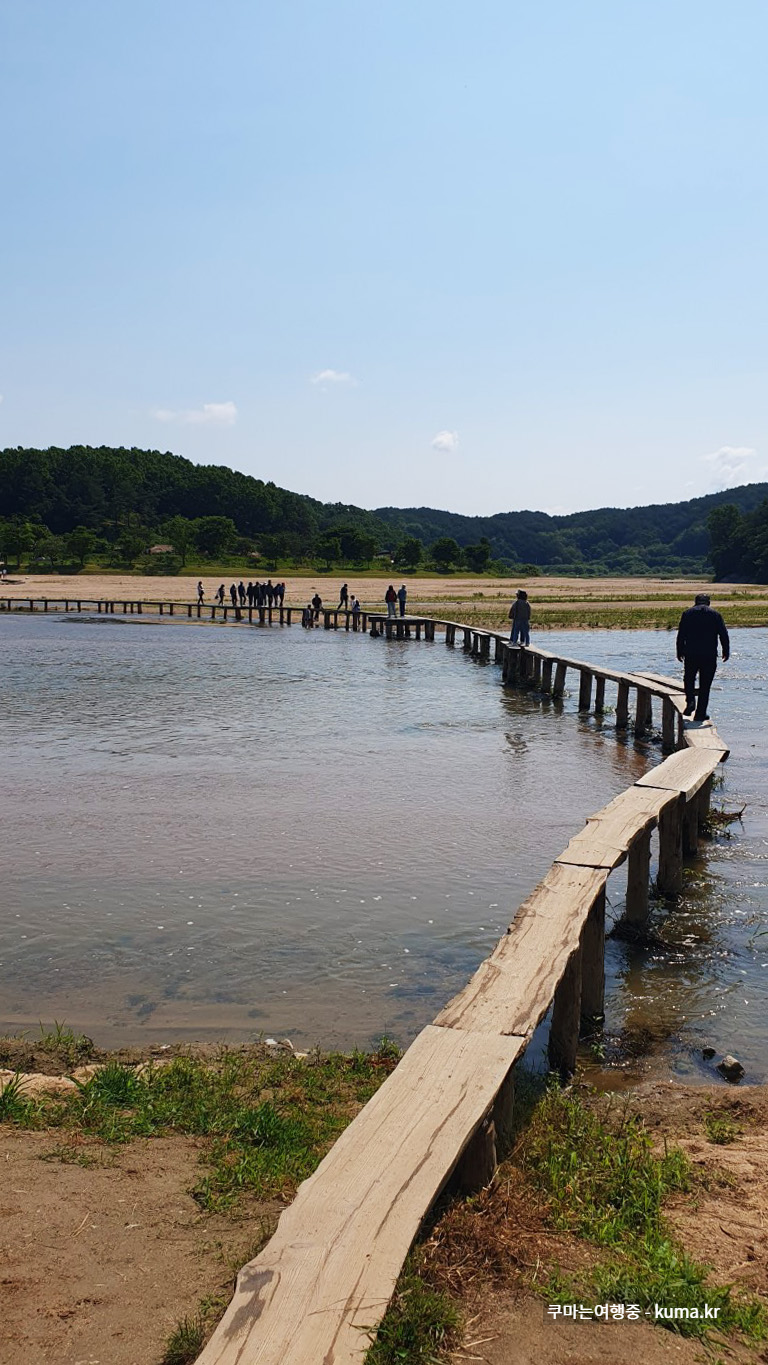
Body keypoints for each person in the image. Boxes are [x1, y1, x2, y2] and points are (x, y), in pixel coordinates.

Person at [676, 593, 730, 721]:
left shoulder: (687, 614)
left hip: (691, 653)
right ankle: (700, 713)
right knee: (705, 685)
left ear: (695, 602)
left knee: (689, 678)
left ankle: (690, 701)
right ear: (708, 602)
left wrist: (679, 651)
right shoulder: (715, 614)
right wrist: (726, 650)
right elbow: (723, 634)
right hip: (709, 654)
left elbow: (681, 634)